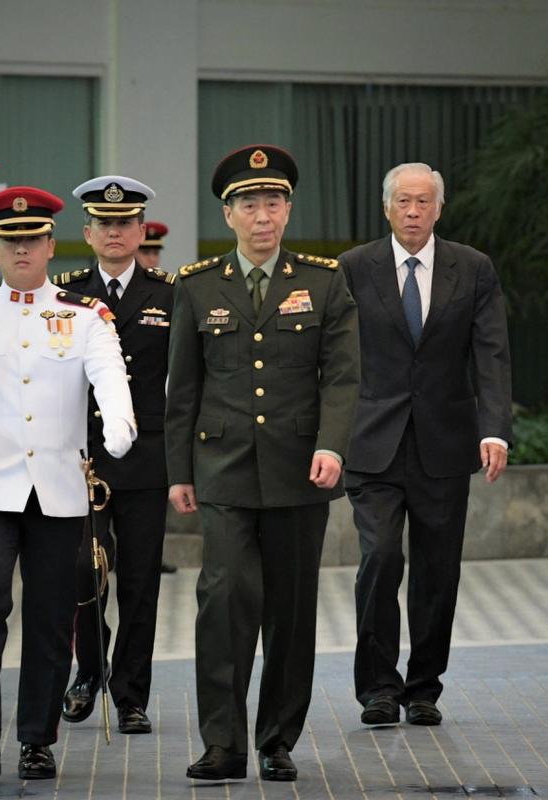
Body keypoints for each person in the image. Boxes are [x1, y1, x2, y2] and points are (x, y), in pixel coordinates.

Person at [166, 144, 360, 782]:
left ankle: (278, 740)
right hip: (221, 471)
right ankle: (223, 744)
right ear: (229, 214)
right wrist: (178, 473)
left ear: (287, 209)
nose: (262, 216)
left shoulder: (324, 281)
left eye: (272, 203)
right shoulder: (196, 288)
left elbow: (342, 378)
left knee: (291, 611)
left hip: (299, 470)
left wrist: (332, 444)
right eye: (249, 204)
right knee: (222, 603)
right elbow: (183, 389)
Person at [0, 186, 136, 781]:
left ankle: (36, 739)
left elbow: (109, 375)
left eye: (32, 238)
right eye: (9, 240)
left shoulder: (83, 316)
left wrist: (120, 424)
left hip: (56, 487)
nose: (22, 248)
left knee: (50, 616)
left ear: (51, 244)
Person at [337, 162, 511, 728]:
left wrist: (494, 428)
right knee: (381, 557)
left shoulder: (473, 268)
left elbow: (491, 352)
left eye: (423, 202)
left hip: (444, 441)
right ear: (386, 208)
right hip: (372, 442)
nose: (413, 211)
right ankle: (377, 688)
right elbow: (335, 359)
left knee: (438, 570)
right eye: (403, 202)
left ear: (439, 208)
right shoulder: (353, 268)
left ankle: (424, 688)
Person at [56, 175, 175, 734]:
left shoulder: (171, 293)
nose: (115, 232)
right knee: (82, 569)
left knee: (140, 581)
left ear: (141, 230)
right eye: (104, 224)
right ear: (87, 232)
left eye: (125, 223)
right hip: (81, 458)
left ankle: (132, 694)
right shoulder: (67, 294)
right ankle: (88, 668)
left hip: (149, 458)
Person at [131, 218, 178, 576]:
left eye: (153, 251)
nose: (149, 256)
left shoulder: (171, 292)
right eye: (144, 249)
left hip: (152, 421)